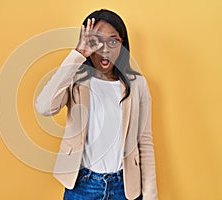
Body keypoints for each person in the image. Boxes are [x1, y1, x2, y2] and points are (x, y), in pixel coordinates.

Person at [36, 9, 158, 200]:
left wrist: (151, 195)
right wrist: (78, 54)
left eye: (113, 41)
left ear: (122, 44)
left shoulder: (137, 84)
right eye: (97, 41)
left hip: (124, 188)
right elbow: (44, 107)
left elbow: (145, 141)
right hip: (82, 185)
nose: (105, 49)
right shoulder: (75, 80)